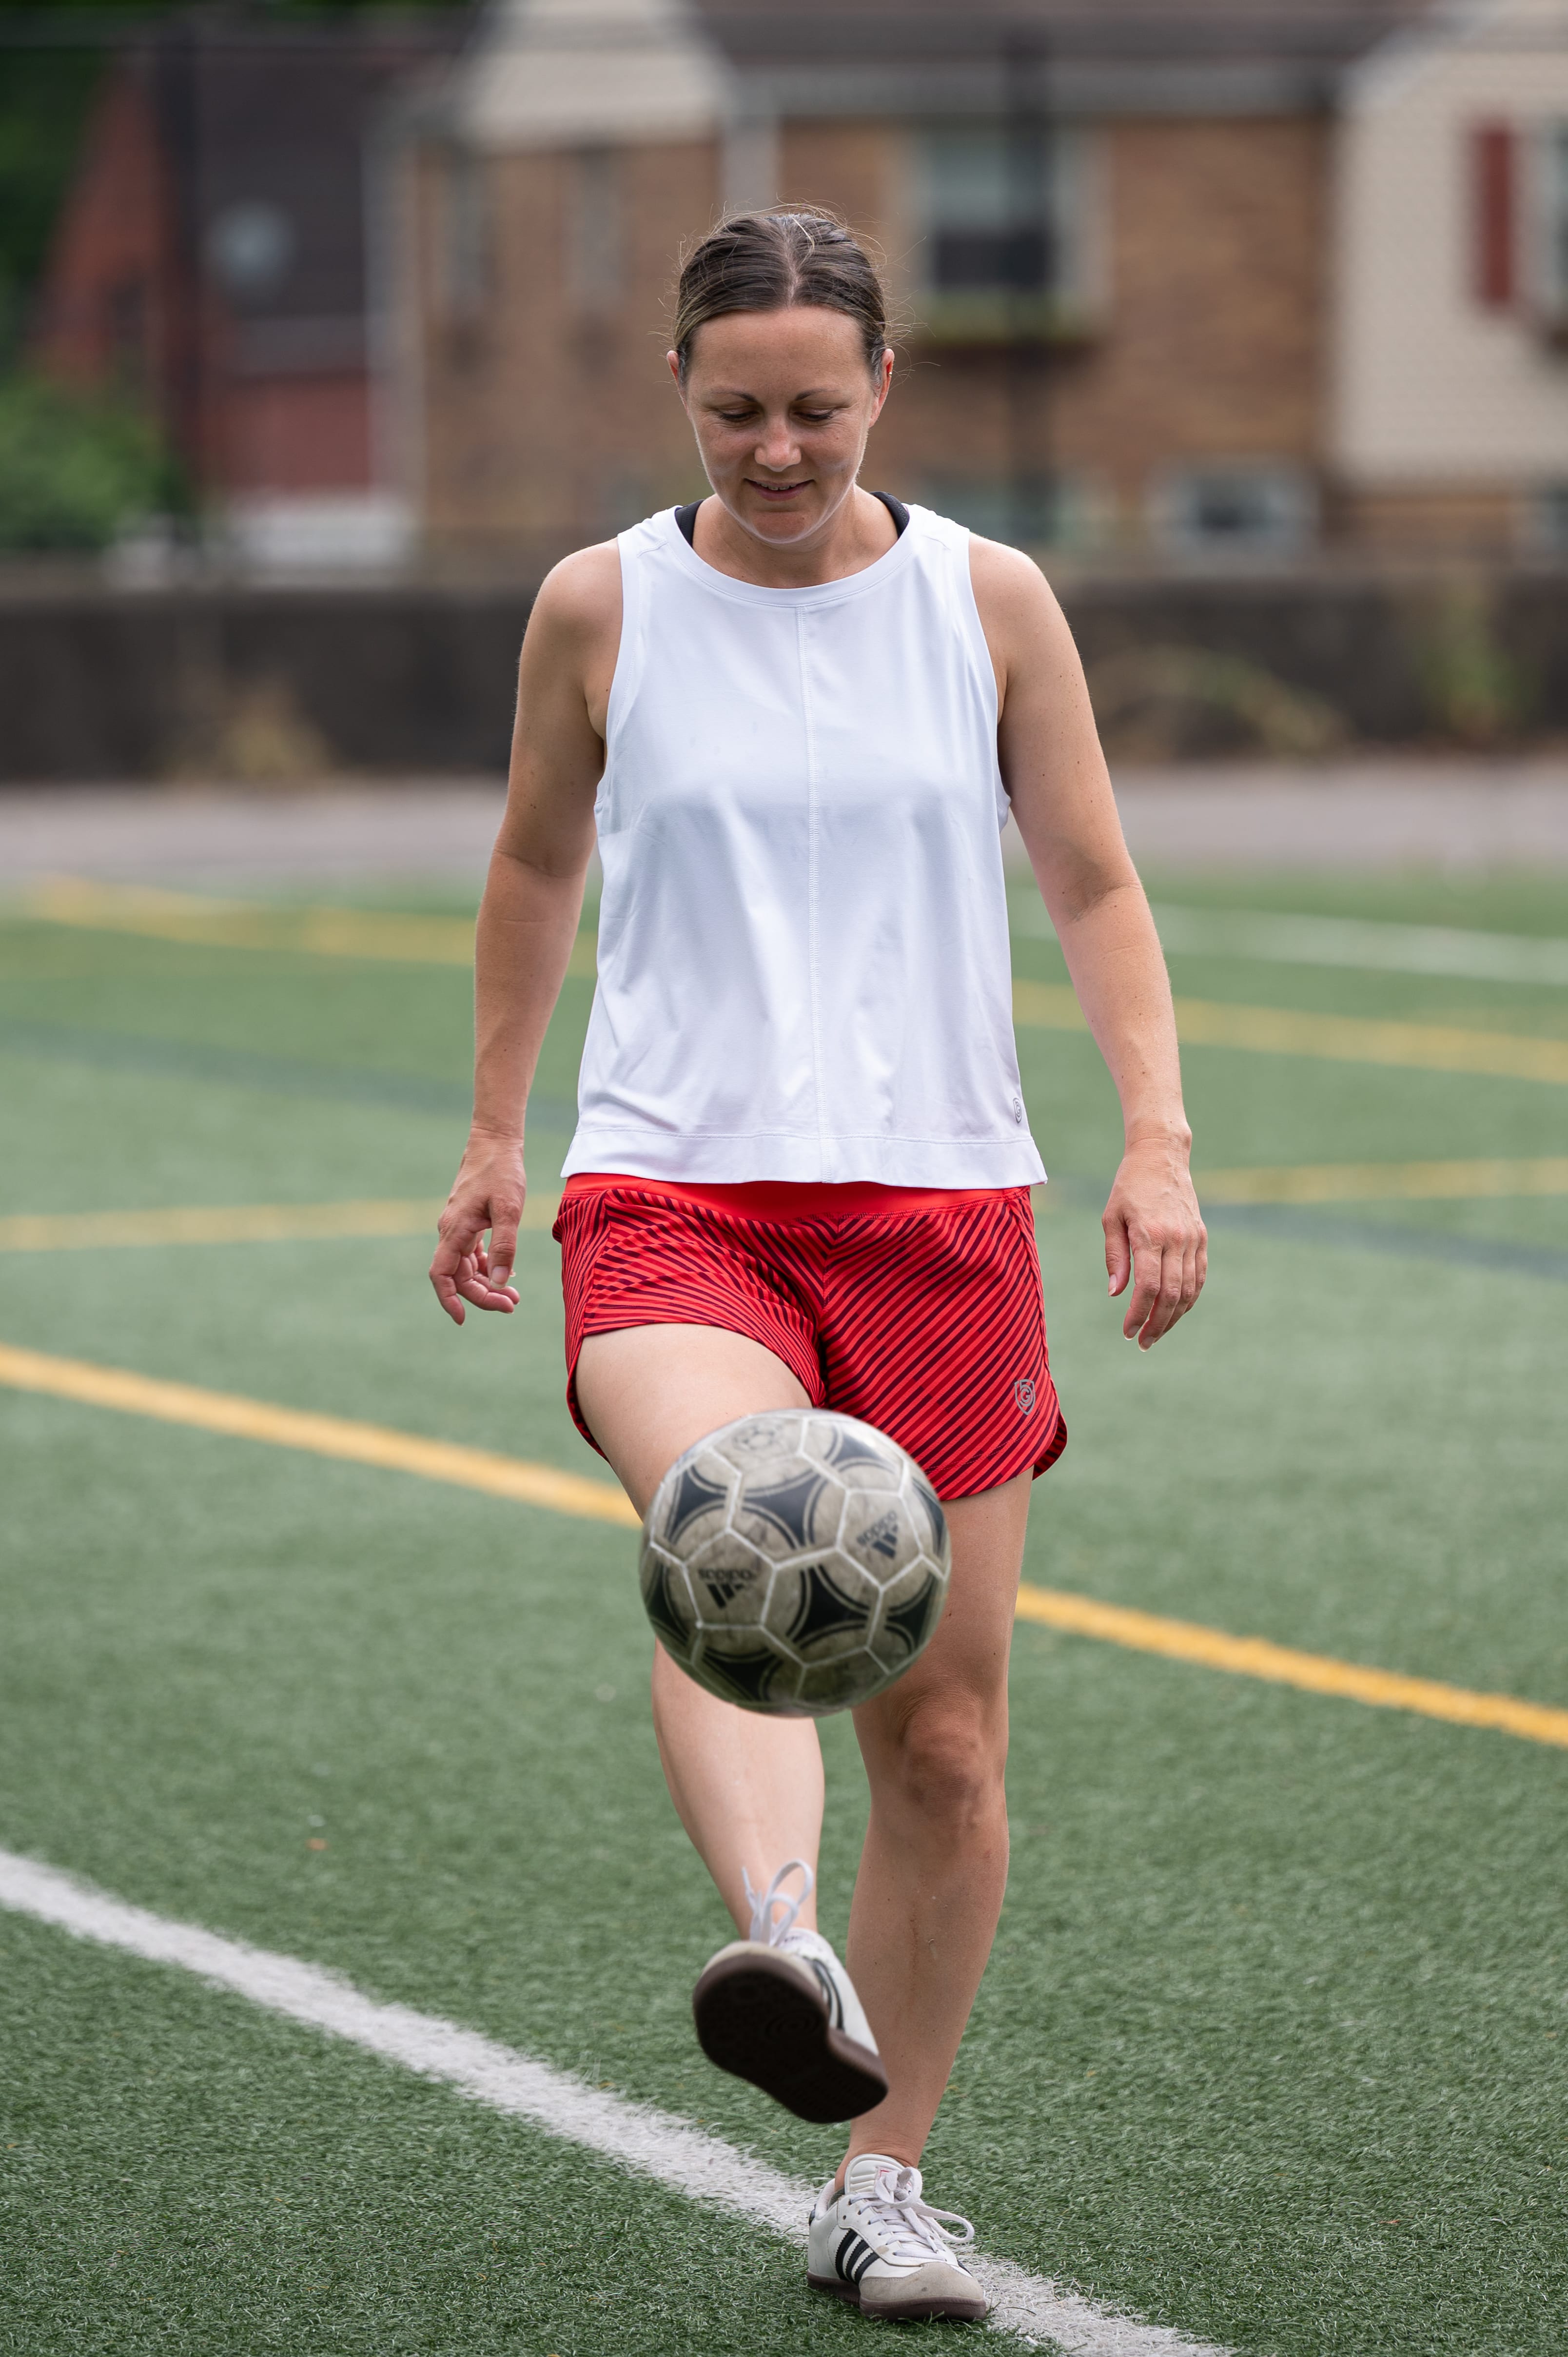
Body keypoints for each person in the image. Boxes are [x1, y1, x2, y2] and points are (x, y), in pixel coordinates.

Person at [430, 208, 1206, 2324]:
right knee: (738, 1521)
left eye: (815, 407)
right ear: (681, 387)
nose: (777, 448)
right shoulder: (603, 605)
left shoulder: (988, 601)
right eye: (736, 407)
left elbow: (1099, 881)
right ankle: (781, 1929)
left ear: (886, 388)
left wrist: (1155, 1138)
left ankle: (883, 2183)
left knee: (947, 1746)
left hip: (942, 1207)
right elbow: (531, 856)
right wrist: (503, 1135)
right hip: (681, 1187)